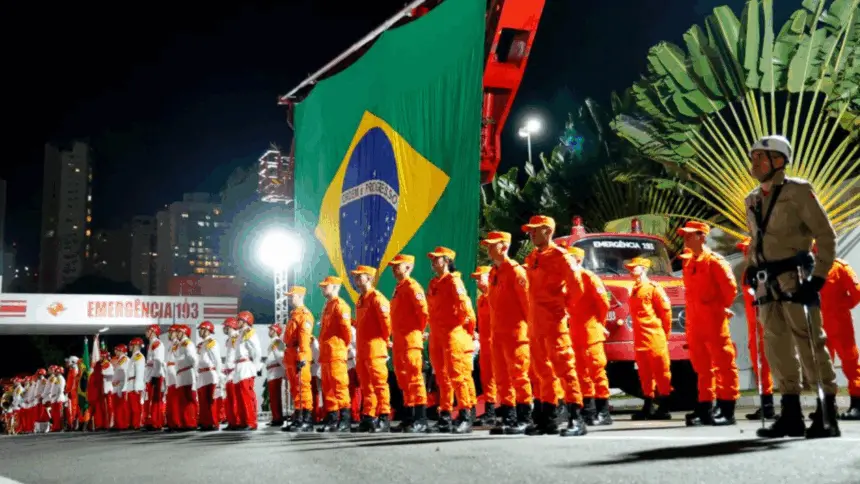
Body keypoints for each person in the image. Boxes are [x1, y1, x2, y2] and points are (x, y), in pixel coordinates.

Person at [744, 134, 840, 439]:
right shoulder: (752, 199)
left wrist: (819, 278)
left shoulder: (798, 191)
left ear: (779, 160)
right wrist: (750, 269)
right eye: (754, 157)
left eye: (762, 157)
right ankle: (791, 415)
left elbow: (826, 236)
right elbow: (756, 242)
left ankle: (827, 415)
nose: (755, 163)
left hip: (795, 276)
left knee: (810, 342)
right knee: (776, 347)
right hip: (766, 281)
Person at [521, 216, 587, 437]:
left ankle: (577, 418)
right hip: (536, 323)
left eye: (535, 230)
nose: (531, 234)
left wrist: (563, 305)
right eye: (530, 230)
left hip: (553, 322)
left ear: (547, 231)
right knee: (541, 372)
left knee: (564, 368)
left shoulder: (560, 256)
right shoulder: (533, 257)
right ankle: (546, 418)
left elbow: (576, 285)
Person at [678, 221, 740, 426]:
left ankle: (727, 408)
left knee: (723, 362)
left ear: (702, 237)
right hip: (695, 322)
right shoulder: (689, 263)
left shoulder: (715, 261)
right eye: (685, 235)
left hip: (713, 319)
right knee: (702, 367)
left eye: (690, 235)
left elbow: (730, 289)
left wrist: (719, 307)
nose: (685, 239)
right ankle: (705, 407)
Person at [482, 231, 533, 435]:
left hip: (515, 334)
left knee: (519, 376)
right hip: (499, 334)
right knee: (502, 378)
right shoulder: (495, 273)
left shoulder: (516, 272)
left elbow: (527, 305)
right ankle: (509, 417)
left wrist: (530, 331)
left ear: (503, 246)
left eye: (492, 245)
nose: (488, 248)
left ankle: (525, 417)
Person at [427, 247, 478, 434]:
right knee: (441, 377)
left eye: (436, 258)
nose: (433, 261)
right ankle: (445, 414)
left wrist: (466, 332)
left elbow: (466, 307)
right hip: (437, 335)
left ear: (447, 260)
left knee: (457, 375)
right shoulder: (434, 283)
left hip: (452, 334)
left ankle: (465, 414)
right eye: (432, 259)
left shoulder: (453, 281)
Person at [566, 246, 612, 426]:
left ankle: (603, 411)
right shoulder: (568, 280)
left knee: (597, 370)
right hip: (576, 332)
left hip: (591, 331)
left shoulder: (589, 278)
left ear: (577, 260)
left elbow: (603, 304)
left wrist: (600, 324)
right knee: (581, 372)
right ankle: (589, 409)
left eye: (568, 259)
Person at [625, 257, 673, 420]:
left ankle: (665, 405)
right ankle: (648, 404)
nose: (631, 270)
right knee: (644, 373)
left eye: (634, 267)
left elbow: (666, 313)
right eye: (630, 268)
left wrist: (664, 335)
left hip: (654, 336)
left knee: (661, 370)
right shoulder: (635, 289)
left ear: (644, 268)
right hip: (640, 338)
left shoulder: (653, 288)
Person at [388, 254, 431, 433]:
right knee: (403, 380)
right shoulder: (399, 288)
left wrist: (416, 332)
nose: (394, 269)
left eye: (398, 265)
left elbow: (423, 313)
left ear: (408, 267)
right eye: (393, 266)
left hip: (410, 340)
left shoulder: (412, 287)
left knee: (414, 378)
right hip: (399, 341)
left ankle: (420, 418)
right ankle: (409, 415)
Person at [736, 237, 777, 420]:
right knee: (759, 366)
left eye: (748, 250)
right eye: (744, 250)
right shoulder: (748, 272)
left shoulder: (762, 271)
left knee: (767, 365)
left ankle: (772, 407)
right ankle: (766, 406)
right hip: (754, 326)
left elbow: (764, 297)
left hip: (764, 325)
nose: (745, 253)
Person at [818, 249, 860, 420]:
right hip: (819, 325)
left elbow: (857, 293)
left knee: (850, 364)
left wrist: (841, 307)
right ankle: (827, 406)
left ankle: (857, 405)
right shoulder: (809, 269)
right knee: (822, 367)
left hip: (840, 325)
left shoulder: (840, 267)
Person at [351, 265, 394, 432]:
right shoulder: (361, 300)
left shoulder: (377, 298)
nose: (356, 279)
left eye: (359, 276)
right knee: (366, 385)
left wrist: (383, 340)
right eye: (355, 276)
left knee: (379, 384)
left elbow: (386, 324)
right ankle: (369, 416)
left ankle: (384, 415)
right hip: (362, 350)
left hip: (375, 348)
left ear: (369, 278)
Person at [315, 279, 353, 433]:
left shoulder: (340, 305)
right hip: (326, 353)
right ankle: (332, 419)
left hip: (336, 351)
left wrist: (341, 347)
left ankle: (345, 419)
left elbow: (347, 332)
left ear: (335, 287)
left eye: (326, 286)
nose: (323, 288)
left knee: (339, 385)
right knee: (328, 387)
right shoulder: (328, 306)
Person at [283, 292, 315, 433]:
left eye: (292, 296)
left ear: (300, 296)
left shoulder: (304, 314)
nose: (290, 299)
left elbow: (304, 338)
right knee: (295, 389)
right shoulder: (294, 314)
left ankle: (306, 420)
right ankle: (298, 418)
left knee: (303, 388)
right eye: (289, 296)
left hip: (299, 354)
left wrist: (302, 356)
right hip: (291, 353)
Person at [470, 266, 497, 427]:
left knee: (498, 378)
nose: (479, 282)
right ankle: (490, 410)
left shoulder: (496, 296)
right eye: (477, 279)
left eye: (481, 278)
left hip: (497, 342)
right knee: (487, 378)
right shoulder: (482, 300)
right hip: (485, 343)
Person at [234, 311, 262, 430]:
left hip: (246, 366)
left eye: (239, 320)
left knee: (246, 395)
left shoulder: (249, 332)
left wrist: (255, 367)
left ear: (246, 321)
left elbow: (256, 350)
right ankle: (243, 421)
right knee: (240, 397)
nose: (237, 322)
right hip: (239, 366)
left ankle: (251, 422)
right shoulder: (240, 334)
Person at [196, 321, 222, 431]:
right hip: (202, 374)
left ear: (207, 330)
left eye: (202, 329)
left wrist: (218, 375)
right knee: (203, 401)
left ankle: (213, 423)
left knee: (211, 401)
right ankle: (205, 422)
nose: (199, 332)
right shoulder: (202, 344)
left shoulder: (211, 342)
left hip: (210, 374)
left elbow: (217, 360)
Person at [143, 325, 166, 431]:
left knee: (156, 400)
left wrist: (155, 376)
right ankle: (151, 421)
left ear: (153, 332)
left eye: (148, 331)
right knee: (151, 399)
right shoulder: (151, 343)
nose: (146, 333)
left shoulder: (157, 343)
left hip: (155, 375)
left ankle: (156, 423)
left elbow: (158, 360)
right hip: (151, 375)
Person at [265, 323, 287, 427]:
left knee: (276, 396)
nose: (269, 331)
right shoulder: (272, 342)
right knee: (273, 397)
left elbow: (281, 356)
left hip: (276, 371)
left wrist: (285, 369)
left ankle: (278, 418)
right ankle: (275, 417)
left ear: (275, 331)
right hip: (272, 371)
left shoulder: (277, 341)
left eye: (271, 329)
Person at [221, 317, 240, 430]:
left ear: (231, 326)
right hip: (229, 372)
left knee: (234, 399)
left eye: (226, 326)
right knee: (229, 399)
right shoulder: (229, 339)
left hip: (233, 371)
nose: (224, 328)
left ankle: (236, 421)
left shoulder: (235, 336)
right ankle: (232, 421)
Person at [128, 338, 146, 430]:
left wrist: (136, 386)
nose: (129, 347)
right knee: (132, 406)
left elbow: (139, 371)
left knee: (135, 407)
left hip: (135, 383)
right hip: (131, 383)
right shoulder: (134, 356)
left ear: (136, 346)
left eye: (131, 345)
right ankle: (133, 423)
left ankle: (136, 424)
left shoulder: (139, 356)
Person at [112, 344, 130, 431]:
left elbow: (126, 373)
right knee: (117, 406)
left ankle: (123, 424)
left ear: (122, 351)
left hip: (122, 385)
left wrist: (125, 386)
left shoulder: (124, 359)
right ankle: (118, 424)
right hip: (118, 385)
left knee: (122, 406)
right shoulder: (119, 359)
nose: (115, 352)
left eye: (117, 350)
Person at [64, 357, 80, 430]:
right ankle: (72, 424)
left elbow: (73, 383)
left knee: (72, 409)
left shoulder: (74, 370)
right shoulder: (72, 370)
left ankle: (71, 425)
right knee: (71, 409)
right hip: (71, 392)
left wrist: (69, 391)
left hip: (73, 393)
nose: (67, 363)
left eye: (68, 361)